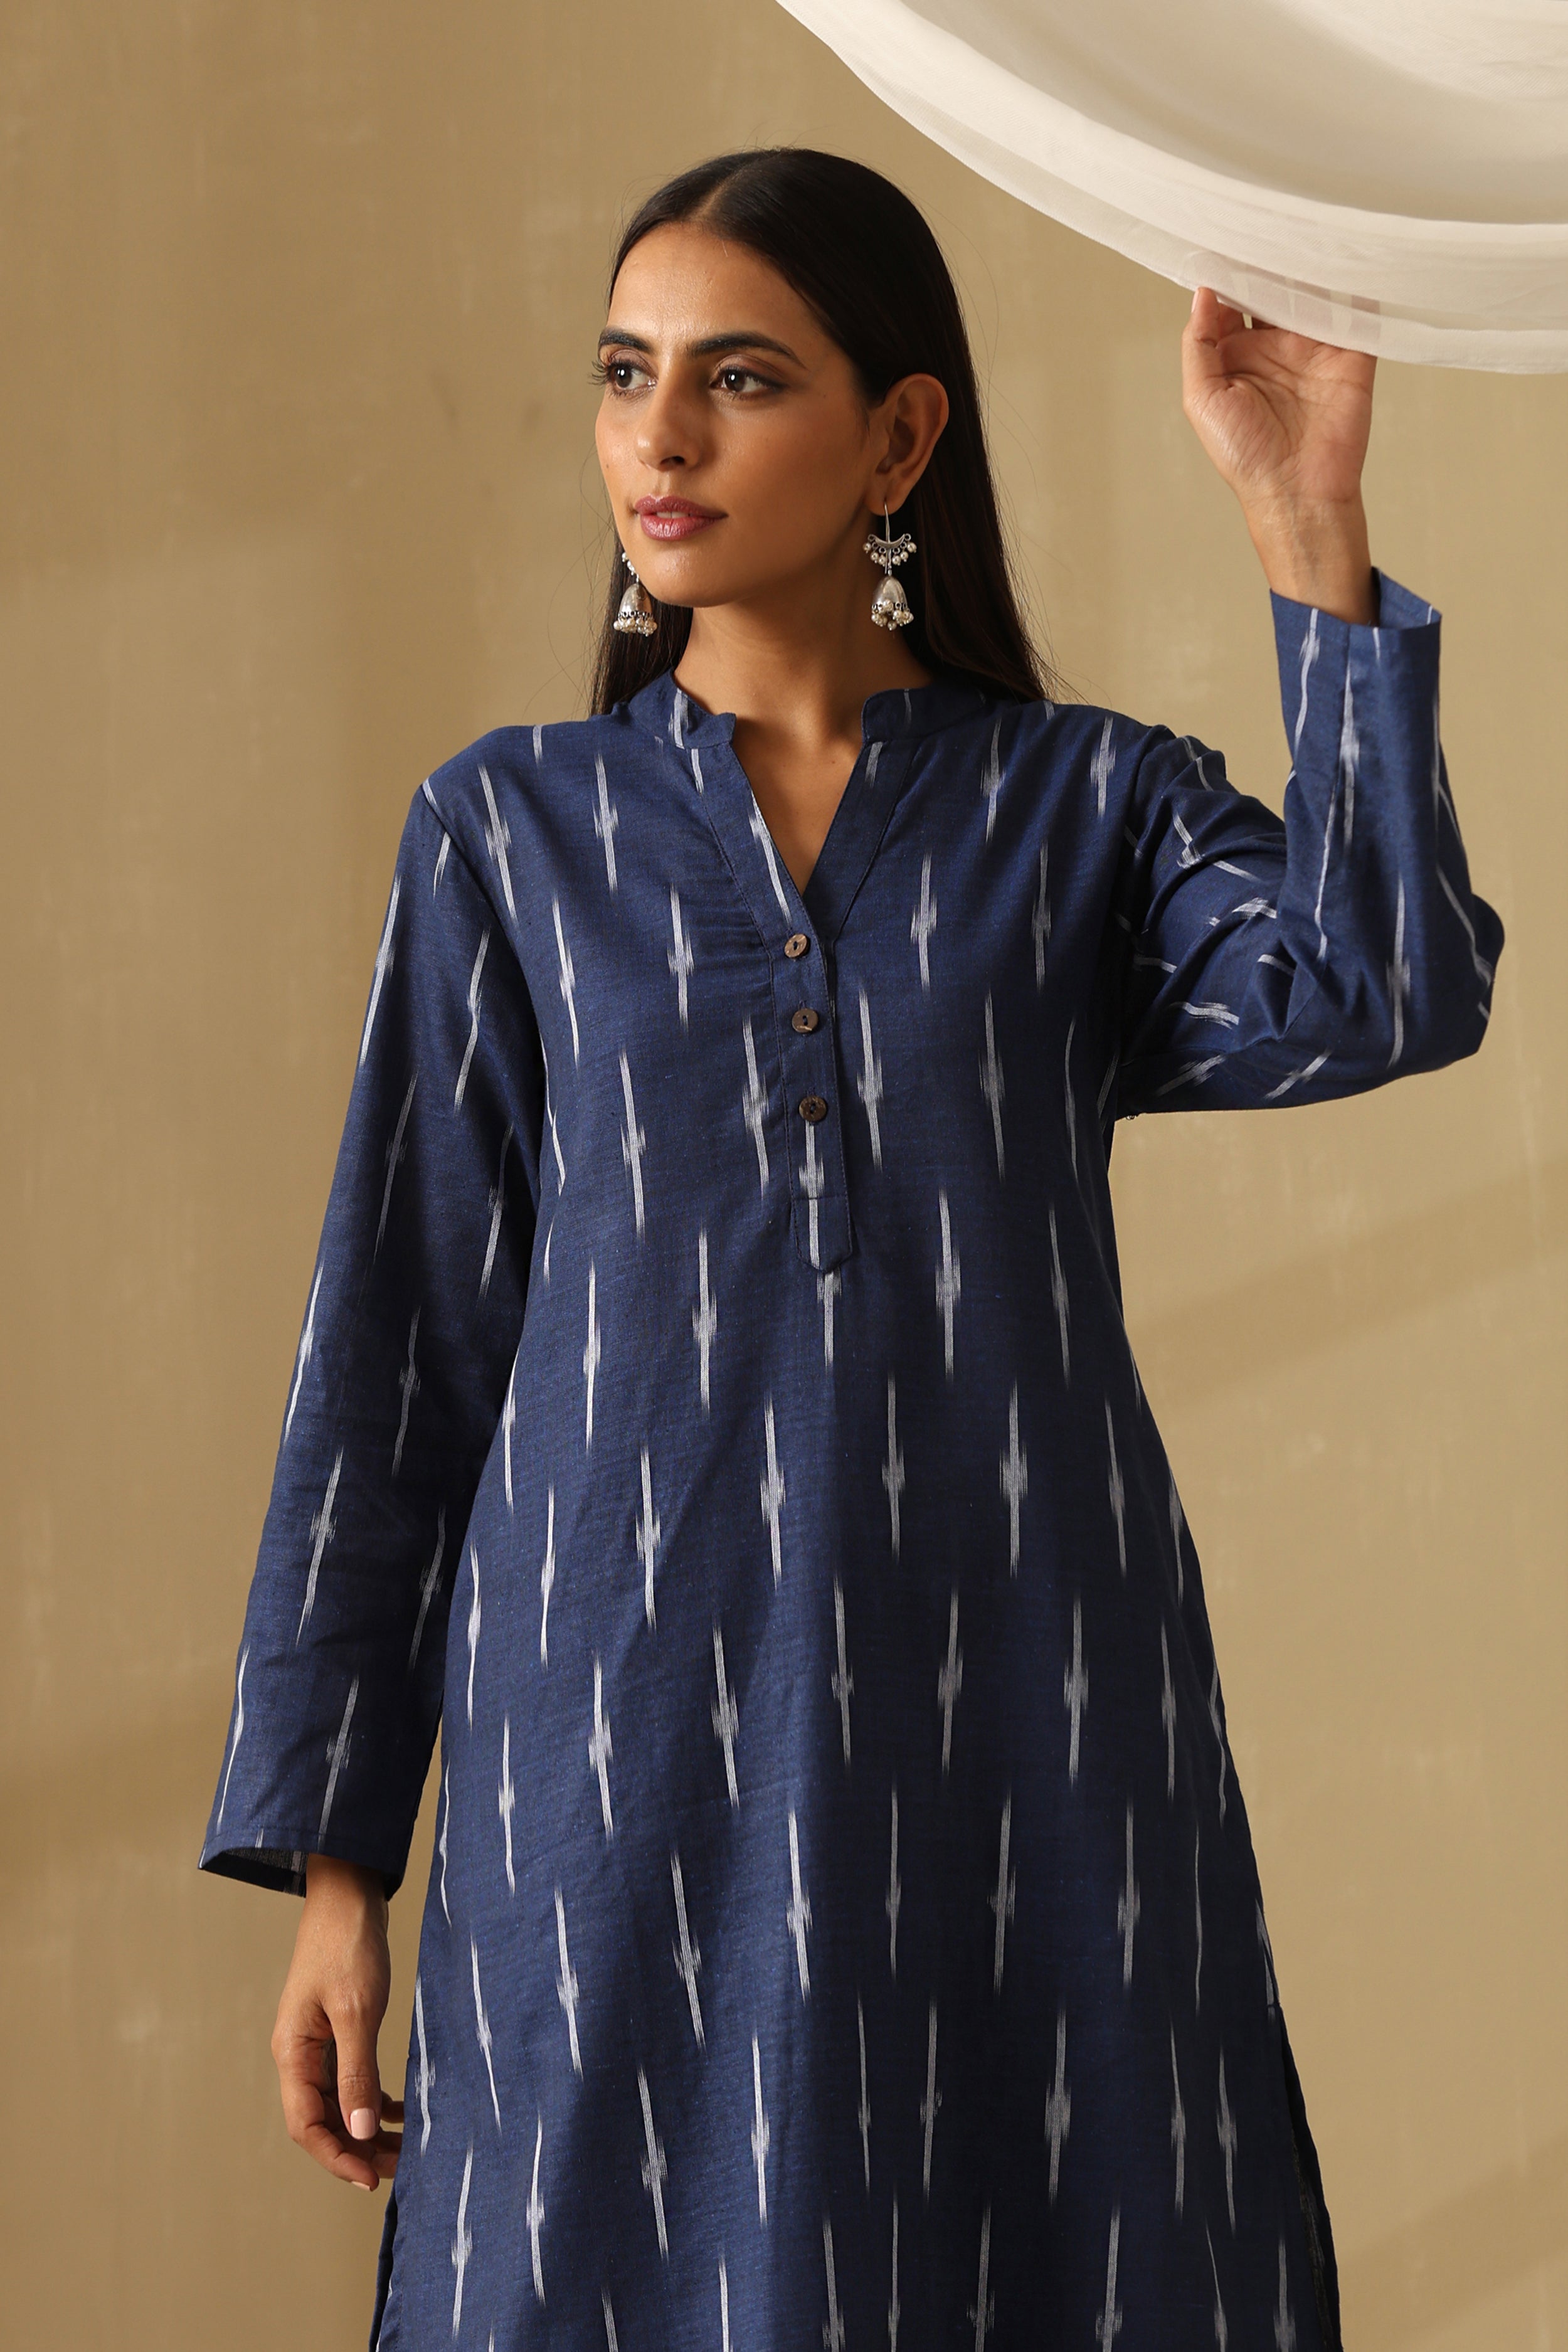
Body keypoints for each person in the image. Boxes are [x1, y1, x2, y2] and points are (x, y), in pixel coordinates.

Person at [199, 147, 1503, 2351]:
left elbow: (1377, 991)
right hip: (609, 1753)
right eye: (624, 374)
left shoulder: (1082, 810)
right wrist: (339, 1871)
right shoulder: (512, 832)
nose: (659, 437)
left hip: (1023, 1736)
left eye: (737, 379)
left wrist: (1304, 520)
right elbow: (401, 1352)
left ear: (897, 440)